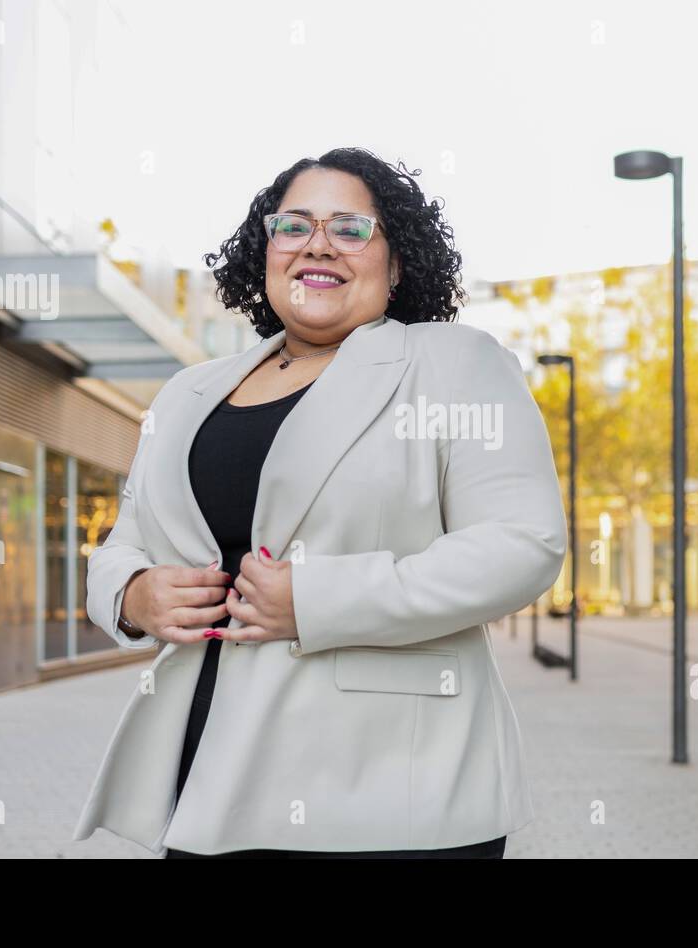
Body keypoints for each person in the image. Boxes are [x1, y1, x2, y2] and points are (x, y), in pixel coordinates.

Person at [72, 147, 567, 859]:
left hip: (390, 787)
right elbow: (126, 540)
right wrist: (132, 595)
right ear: (264, 250)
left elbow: (522, 544)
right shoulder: (189, 393)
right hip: (208, 772)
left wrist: (317, 598)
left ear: (396, 264)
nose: (319, 245)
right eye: (294, 225)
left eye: (351, 228)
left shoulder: (452, 364)